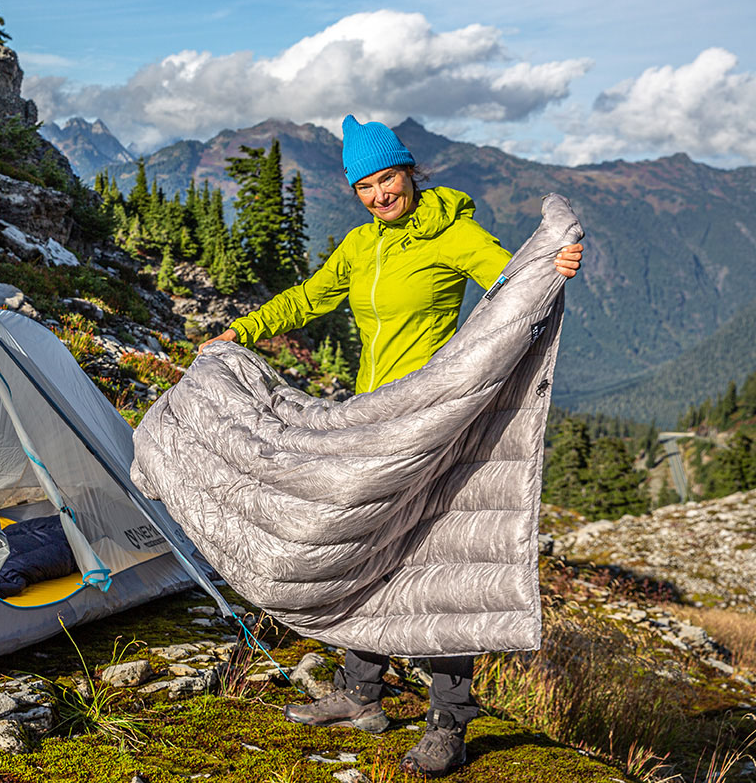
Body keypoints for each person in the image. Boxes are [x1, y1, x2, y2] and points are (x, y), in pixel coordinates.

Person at [199, 116, 582, 778]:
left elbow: (513, 282)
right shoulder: (359, 245)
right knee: (366, 548)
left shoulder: (452, 231)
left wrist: (556, 265)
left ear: (409, 172)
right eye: (365, 186)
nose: (379, 195)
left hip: (433, 422)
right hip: (370, 421)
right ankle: (361, 694)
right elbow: (309, 298)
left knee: (441, 561)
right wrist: (242, 332)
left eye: (387, 179)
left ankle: (448, 724)